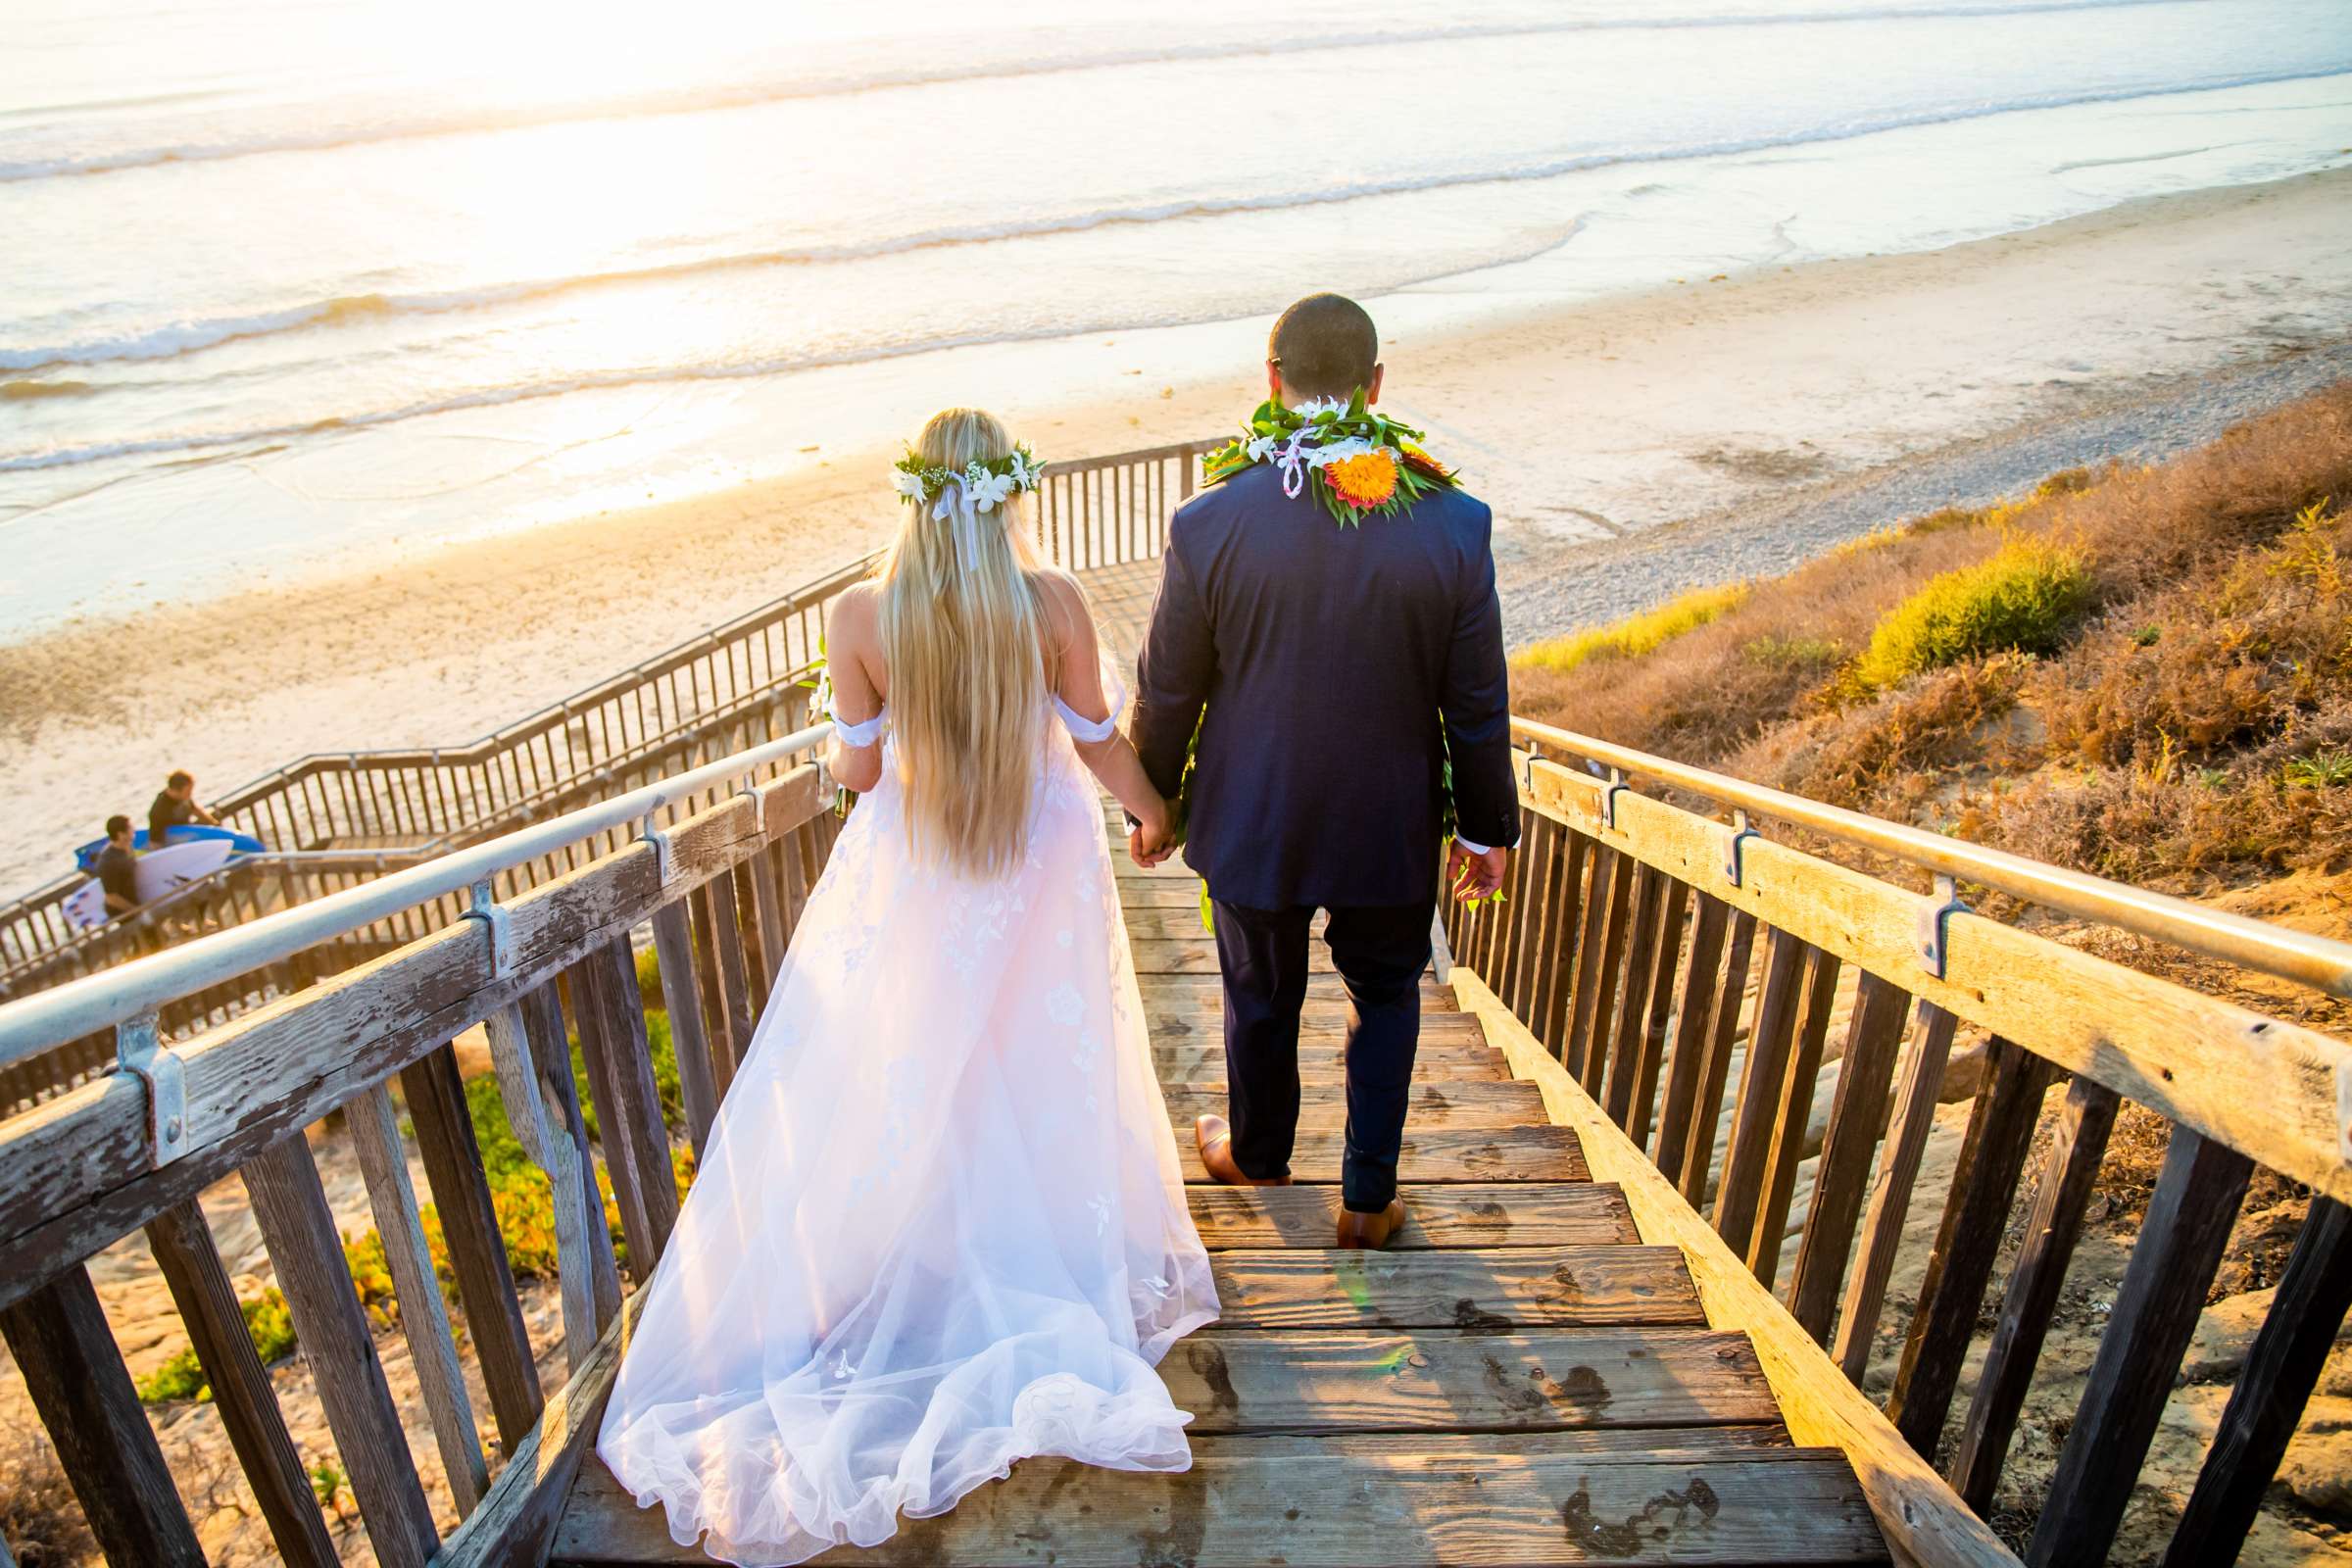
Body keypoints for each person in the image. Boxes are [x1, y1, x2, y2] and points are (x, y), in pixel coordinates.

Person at [598, 409, 1217, 1565]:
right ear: (1009, 492)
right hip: (1037, 861)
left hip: (921, 862)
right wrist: (1152, 808)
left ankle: (911, 1257)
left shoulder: (863, 615)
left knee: (911, 1059)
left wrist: (837, 739)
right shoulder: (1057, 605)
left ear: (914, 493)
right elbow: (1094, 740)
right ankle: (1025, 1257)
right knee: (1033, 1064)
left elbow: (860, 765)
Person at [1128, 292, 1519, 1250]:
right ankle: (1366, 1195)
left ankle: (1258, 1155)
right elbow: (1474, 701)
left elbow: (1169, 688)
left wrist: (1155, 800)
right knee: (1386, 992)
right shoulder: (1454, 523)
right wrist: (1486, 827)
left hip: (1253, 815)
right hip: (1386, 820)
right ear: (1376, 385)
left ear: (1271, 383)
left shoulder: (1208, 523)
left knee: (1259, 993)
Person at [147, 769, 220, 849]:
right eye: (188, 791)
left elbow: (196, 810)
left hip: (187, 838)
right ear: (175, 790)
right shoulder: (158, 812)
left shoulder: (184, 797)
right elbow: (154, 843)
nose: (190, 794)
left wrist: (215, 825)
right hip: (172, 846)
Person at [96, 815, 140, 919]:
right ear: (121, 835)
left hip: (135, 902)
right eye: (131, 829)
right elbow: (111, 897)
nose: (134, 831)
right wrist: (137, 911)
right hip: (123, 913)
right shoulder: (108, 862)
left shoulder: (126, 847)